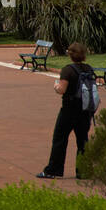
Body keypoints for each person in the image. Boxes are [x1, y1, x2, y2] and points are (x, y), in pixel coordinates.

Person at [38, 42, 99, 180]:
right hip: (85, 110)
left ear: (70, 54)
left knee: (60, 138)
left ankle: (53, 170)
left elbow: (62, 89)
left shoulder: (68, 70)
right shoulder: (89, 69)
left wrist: (55, 86)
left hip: (69, 109)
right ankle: (83, 171)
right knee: (82, 140)